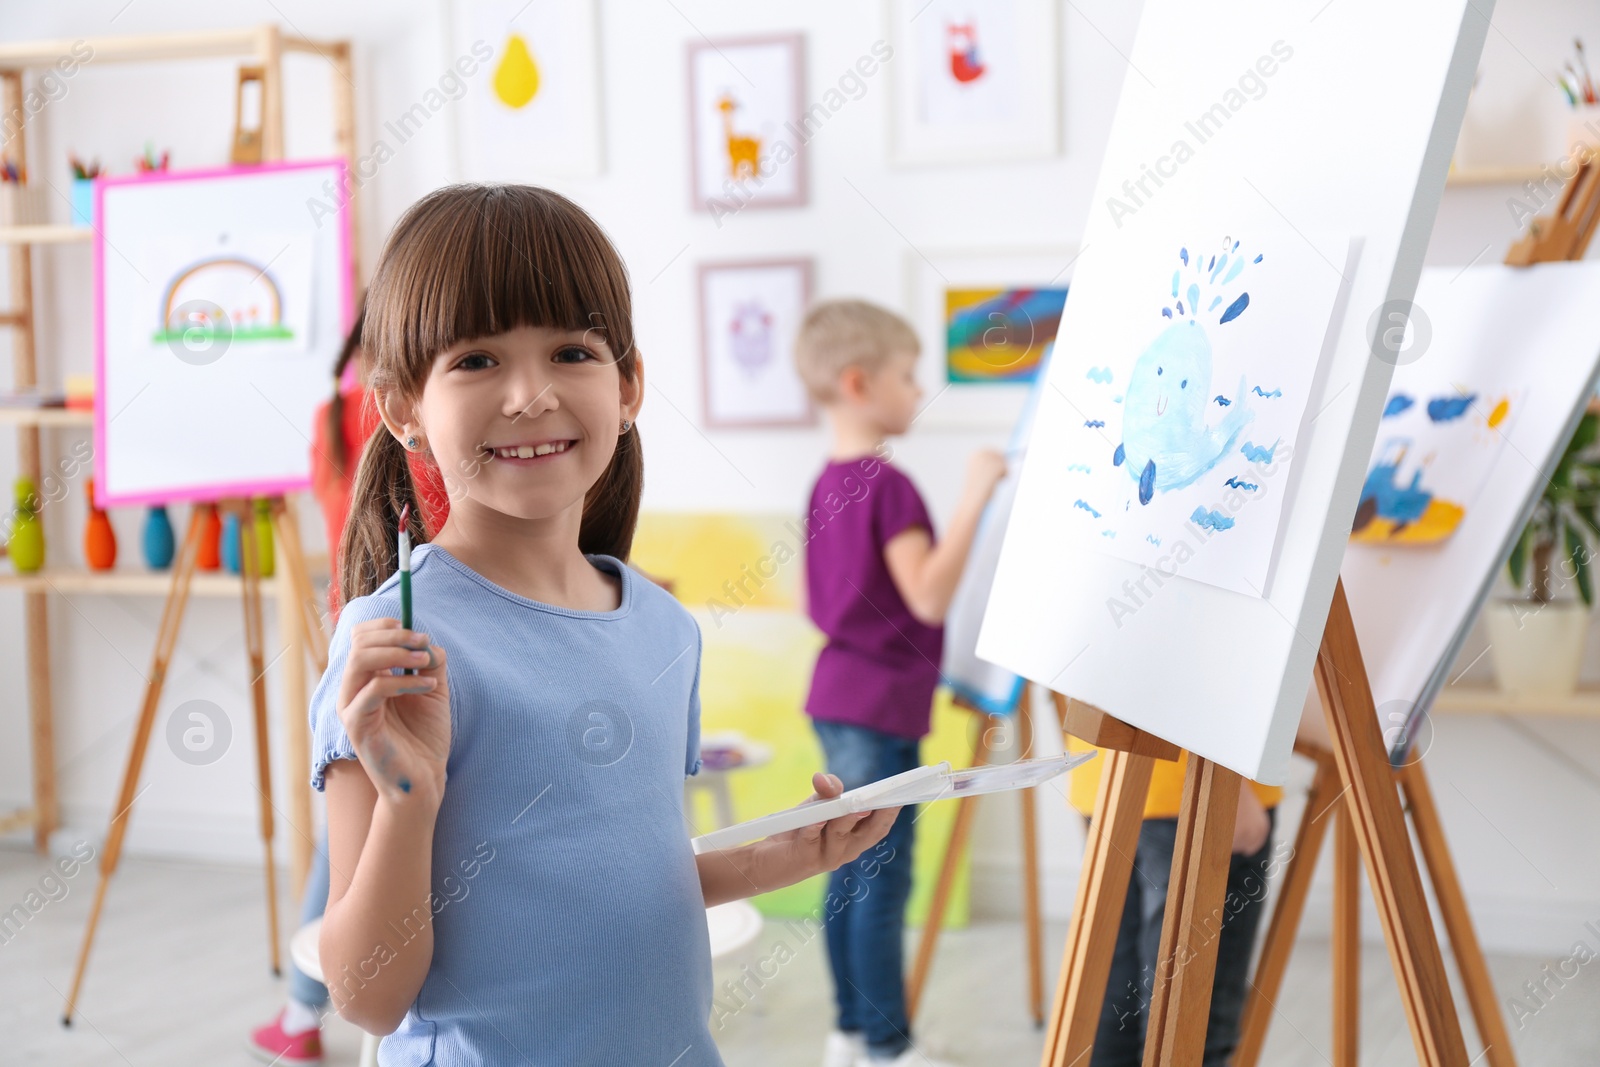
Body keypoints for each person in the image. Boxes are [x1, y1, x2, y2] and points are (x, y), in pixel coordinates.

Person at [309, 183, 899, 1065]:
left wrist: (788, 854)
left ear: (628, 387)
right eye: (475, 360)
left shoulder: (664, 627)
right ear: (403, 412)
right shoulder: (393, 647)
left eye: (572, 351)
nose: (529, 394)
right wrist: (408, 798)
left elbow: (622, 879)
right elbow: (368, 997)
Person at [792, 299, 1007, 1067]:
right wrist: (977, 495)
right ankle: (888, 1046)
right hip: (877, 709)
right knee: (881, 878)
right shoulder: (891, 486)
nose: (919, 392)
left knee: (849, 870)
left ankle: (851, 1032)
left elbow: (825, 597)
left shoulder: (827, 482)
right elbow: (926, 595)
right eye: (908, 377)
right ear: (859, 383)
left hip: (840, 695)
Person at [248, 304, 453, 1065]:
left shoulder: (328, 416)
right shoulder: (412, 418)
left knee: (353, 835)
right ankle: (307, 1010)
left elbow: (332, 502)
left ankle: (301, 1014)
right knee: (357, 840)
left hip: (353, 624)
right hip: (405, 630)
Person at [1066, 744, 1281, 1066]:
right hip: (1197, 781)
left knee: (1116, 1007)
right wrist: (1226, 781)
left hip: (1110, 776)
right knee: (1192, 1030)